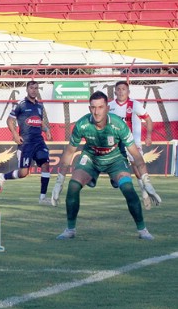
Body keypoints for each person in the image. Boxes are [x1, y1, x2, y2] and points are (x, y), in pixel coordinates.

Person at [51, 91, 161, 240]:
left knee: (128, 189)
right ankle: (70, 230)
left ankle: (143, 230)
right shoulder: (82, 125)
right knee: (73, 186)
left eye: (101, 107)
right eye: (93, 107)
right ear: (89, 108)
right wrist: (59, 181)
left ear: (107, 108)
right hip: (91, 158)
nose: (97, 112)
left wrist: (147, 181)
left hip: (115, 159)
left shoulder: (119, 125)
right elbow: (69, 153)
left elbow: (136, 155)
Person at [0, 81, 54, 205]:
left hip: (39, 141)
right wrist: (15, 135)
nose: (34, 90)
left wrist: (47, 129)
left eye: (36, 88)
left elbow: (39, 121)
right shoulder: (20, 105)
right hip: (26, 143)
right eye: (31, 88)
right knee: (23, 173)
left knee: (45, 165)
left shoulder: (39, 106)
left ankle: (42, 198)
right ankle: (3, 176)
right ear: (27, 90)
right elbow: (9, 120)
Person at [109, 80, 154, 209]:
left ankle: (144, 194)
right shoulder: (110, 106)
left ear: (128, 91)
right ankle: (114, 178)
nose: (121, 91)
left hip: (133, 141)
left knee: (136, 166)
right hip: (116, 144)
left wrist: (149, 136)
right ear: (115, 91)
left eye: (124, 89)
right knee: (114, 166)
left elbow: (148, 119)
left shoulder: (135, 105)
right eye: (119, 89)